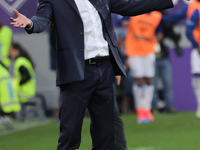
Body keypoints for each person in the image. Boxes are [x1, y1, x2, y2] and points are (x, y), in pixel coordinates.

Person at [10, 0, 174, 149]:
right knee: (70, 135)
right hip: (77, 71)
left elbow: (131, 5)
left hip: (105, 68)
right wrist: (30, 23)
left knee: (106, 136)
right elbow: (42, 18)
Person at [122, 11, 163, 124]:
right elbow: (121, 20)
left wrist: (159, 36)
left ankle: (147, 108)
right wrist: (125, 22)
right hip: (134, 50)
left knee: (149, 79)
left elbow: (159, 31)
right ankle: (140, 109)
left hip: (149, 50)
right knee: (138, 79)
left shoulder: (156, 15)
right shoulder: (133, 9)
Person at [152, 10, 183, 113]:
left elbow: (170, 30)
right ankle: (155, 107)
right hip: (152, 57)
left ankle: (170, 107)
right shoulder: (148, 17)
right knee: (154, 85)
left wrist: (176, 42)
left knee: (168, 84)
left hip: (164, 57)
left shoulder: (162, 17)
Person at [9, 42, 36, 121]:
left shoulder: (20, 62)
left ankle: (7, 116)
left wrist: (19, 84)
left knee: (6, 95)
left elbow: (27, 76)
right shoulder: (23, 60)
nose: (9, 53)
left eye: (10, 50)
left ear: (16, 50)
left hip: (24, 93)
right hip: (26, 92)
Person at [186, 5, 200, 118]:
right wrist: (196, 45)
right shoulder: (197, 10)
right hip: (199, 50)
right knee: (198, 77)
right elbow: (188, 30)